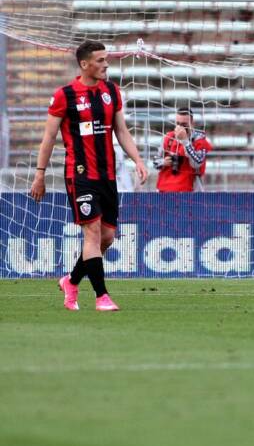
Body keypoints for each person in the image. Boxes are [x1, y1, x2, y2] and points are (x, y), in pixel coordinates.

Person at [30, 41, 149, 311]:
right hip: (80, 174)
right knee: (92, 234)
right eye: (101, 60)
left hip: (107, 175)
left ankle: (71, 281)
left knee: (107, 237)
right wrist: (40, 174)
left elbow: (121, 131)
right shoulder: (65, 95)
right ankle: (101, 296)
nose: (106, 64)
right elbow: (48, 137)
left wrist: (138, 159)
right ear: (85, 64)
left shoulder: (111, 91)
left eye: (107, 59)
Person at [155, 108, 212, 192]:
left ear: (192, 123)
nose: (180, 127)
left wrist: (185, 141)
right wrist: (163, 162)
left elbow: (196, 163)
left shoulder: (200, 140)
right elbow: (155, 162)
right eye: (178, 124)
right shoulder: (168, 137)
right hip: (164, 189)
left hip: (189, 191)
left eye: (184, 124)